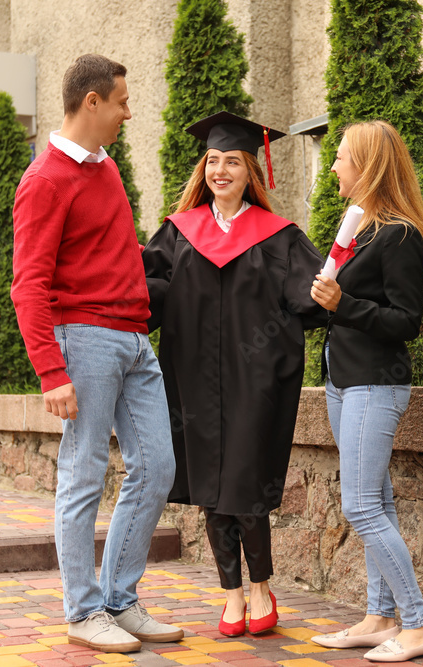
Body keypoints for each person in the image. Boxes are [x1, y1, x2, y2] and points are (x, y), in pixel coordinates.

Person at [10, 54, 183, 654]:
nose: (128, 112)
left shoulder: (104, 169)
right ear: (91, 102)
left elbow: (106, 249)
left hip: (135, 340)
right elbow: (28, 283)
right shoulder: (45, 180)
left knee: (158, 466)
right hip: (81, 340)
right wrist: (50, 371)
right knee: (83, 472)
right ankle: (83, 611)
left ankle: (119, 598)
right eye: (122, 102)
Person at [144, 111, 327, 638]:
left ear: (251, 170)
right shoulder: (179, 232)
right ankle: (231, 594)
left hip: (256, 380)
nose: (220, 171)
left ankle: (262, 588)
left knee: (243, 482)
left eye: (231, 162)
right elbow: (147, 292)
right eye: (213, 161)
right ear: (204, 170)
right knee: (210, 484)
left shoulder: (278, 236)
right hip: (195, 380)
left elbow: (314, 296)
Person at [308, 119, 423, 662]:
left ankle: (419, 624)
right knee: (377, 501)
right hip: (344, 381)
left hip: (375, 384)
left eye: (340, 157)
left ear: (367, 166)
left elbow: (407, 320)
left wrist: (345, 305)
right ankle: (380, 616)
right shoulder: (360, 229)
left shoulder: (400, 235)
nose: (334, 165)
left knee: (361, 506)